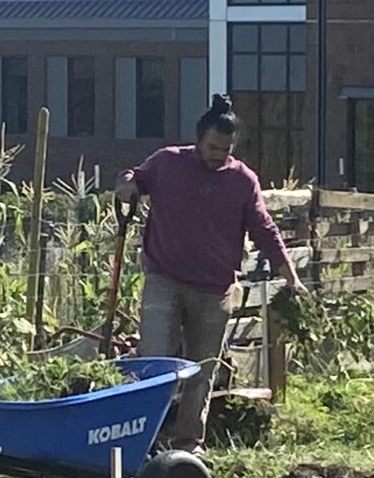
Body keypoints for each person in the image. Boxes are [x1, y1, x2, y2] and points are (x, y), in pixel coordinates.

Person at [120, 94, 302, 448]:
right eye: (213, 147)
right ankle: (145, 438)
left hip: (214, 289)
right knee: (155, 363)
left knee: (201, 371)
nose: (219, 155)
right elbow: (135, 178)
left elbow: (265, 229)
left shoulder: (242, 180)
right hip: (164, 280)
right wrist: (124, 184)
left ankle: (188, 444)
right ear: (199, 139)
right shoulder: (168, 163)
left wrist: (290, 276)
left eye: (226, 149)